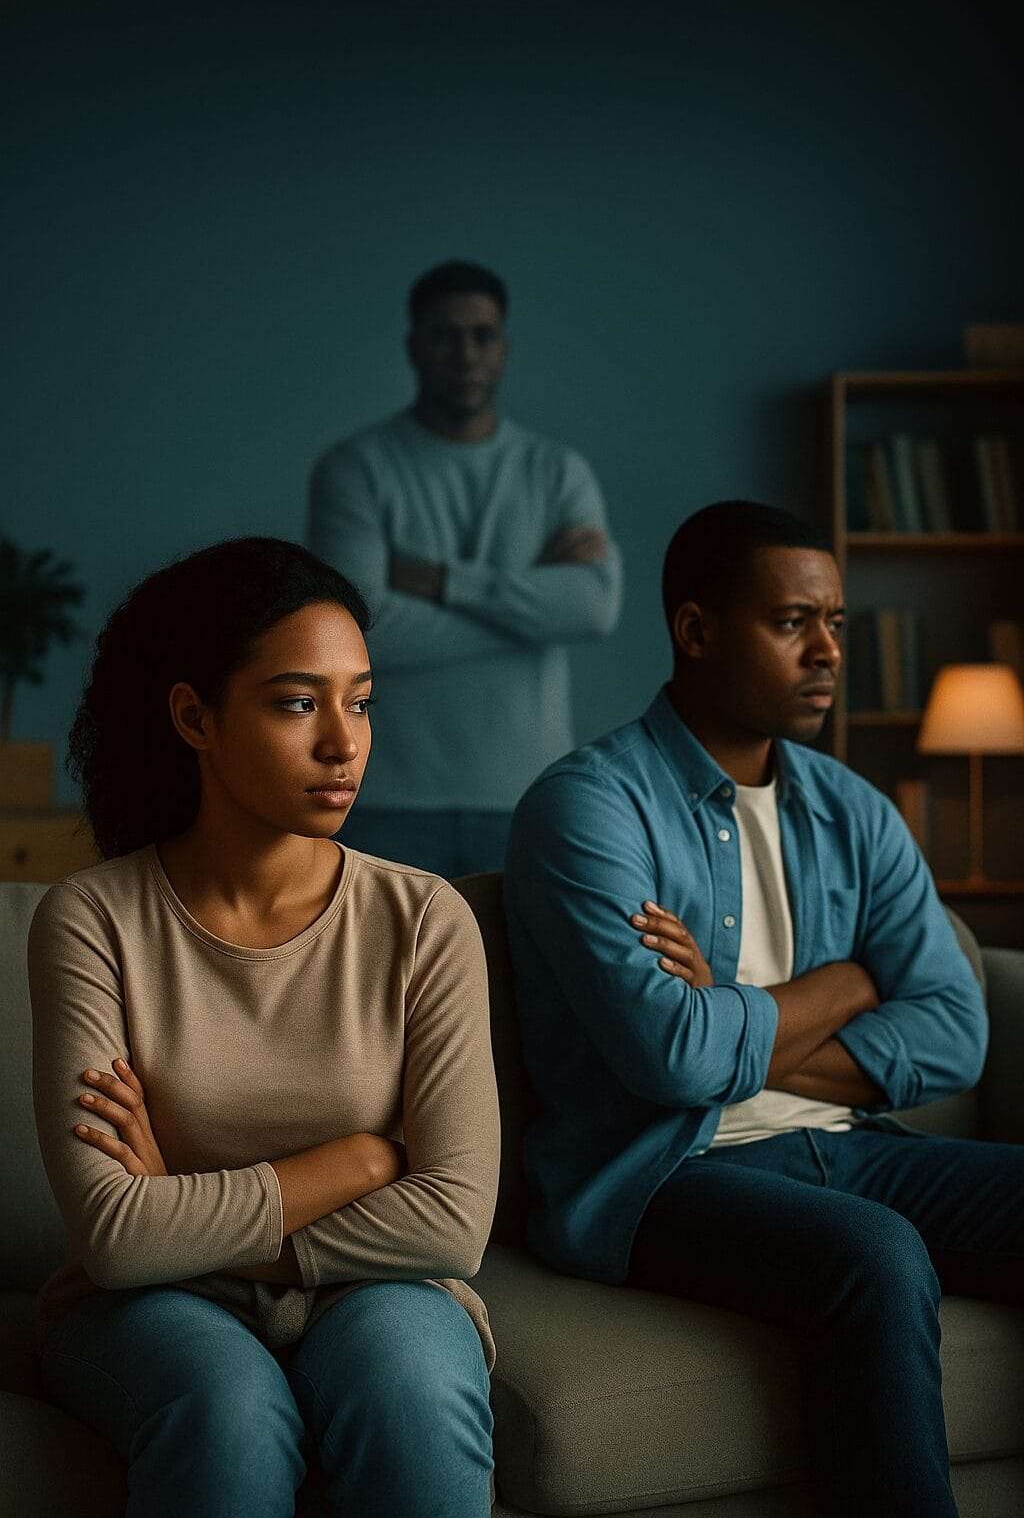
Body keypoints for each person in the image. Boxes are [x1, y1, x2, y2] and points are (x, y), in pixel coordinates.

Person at [503, 500, 1024, 1518]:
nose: (827, 651)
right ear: (695, 631)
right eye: (790, 623)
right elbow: (671, 1062)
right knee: (874, 1253)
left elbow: (956, 1029)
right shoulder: (589, 807)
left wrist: (731, 1012)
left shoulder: (851, 810)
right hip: (662, 1173)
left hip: (846, 1142)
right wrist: (854, 981)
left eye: (833, 621)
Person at [29, 537, 500, 1518]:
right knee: (226, 1413)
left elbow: (453, 1222)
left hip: (387, 1290)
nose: (344, 741)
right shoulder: (92, 921)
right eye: (297, 703)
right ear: (195, 717)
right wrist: (359, 1162)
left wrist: (188, 1214)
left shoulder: (424, 920)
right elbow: (116, 1238)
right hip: (150, 1306)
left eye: (359, 701)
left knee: (413, 1398)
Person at [308, 259, 622, 879]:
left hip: (529, 795)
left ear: (504, 349)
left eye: (483, 336)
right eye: (445, 335)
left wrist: (444, 583)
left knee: (525, 979)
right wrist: (531, 614)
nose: (465, 353)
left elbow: (592, 608)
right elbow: (359, 635)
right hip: (390, 798)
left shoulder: (558, 471)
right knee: (386, 980)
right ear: (413, 348)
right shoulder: (355, 468)